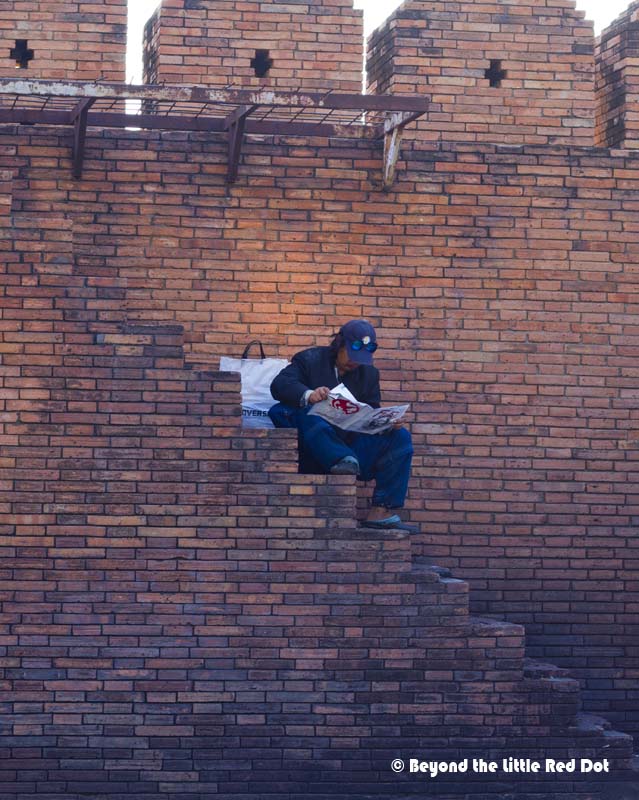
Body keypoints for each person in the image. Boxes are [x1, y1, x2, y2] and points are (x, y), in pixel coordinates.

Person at [269, 319, 415, 531]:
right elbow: (280, 385)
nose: (355, 363)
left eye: (361, 359)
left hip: (352, 451)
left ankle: (381, 511)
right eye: (351, 355)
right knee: (297, 412)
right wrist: (310, 395)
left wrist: (386, 423)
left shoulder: (369, 374)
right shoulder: (309, 359)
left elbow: (370, 411)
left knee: (400, 437)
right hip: (314, 448)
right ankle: (339, 457)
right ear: (339, 344)